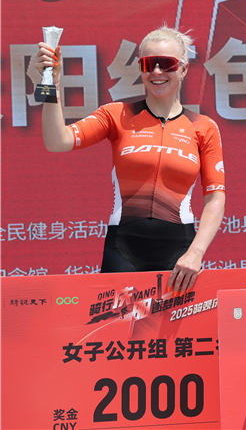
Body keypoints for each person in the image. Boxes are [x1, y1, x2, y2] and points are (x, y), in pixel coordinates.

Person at [34, 26, 225, 294]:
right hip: (123, 248)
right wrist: (51, 84)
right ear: (140, 69)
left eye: (166, 64)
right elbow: (57, 141)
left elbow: (215, 198)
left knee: (180, 324)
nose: (156, 72)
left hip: (181, 252)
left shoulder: (203, 126)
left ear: (183, 69)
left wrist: (196, 252)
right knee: (115, 322)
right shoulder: (117, 115)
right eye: (148, 64)